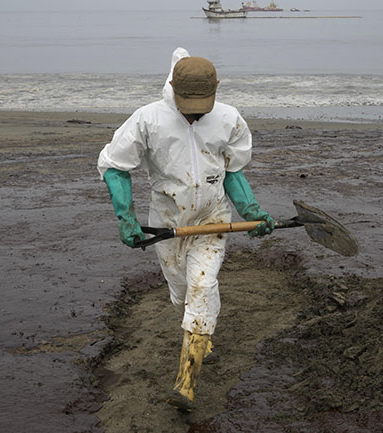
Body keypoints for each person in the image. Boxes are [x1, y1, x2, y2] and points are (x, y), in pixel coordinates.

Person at [97, 47, 275, 411]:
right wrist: (125, 218)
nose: (193, 112)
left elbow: (233, 171)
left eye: (202, 103)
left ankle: (186, 384)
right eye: (186, 103)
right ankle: (202, 333)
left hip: (212, 219)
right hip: (167, 223)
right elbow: (115, 166)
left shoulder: (229, 119)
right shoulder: (148, 119)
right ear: (173, 89)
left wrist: (252, 212)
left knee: (202, 285)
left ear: (217, 89)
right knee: (182, 293)